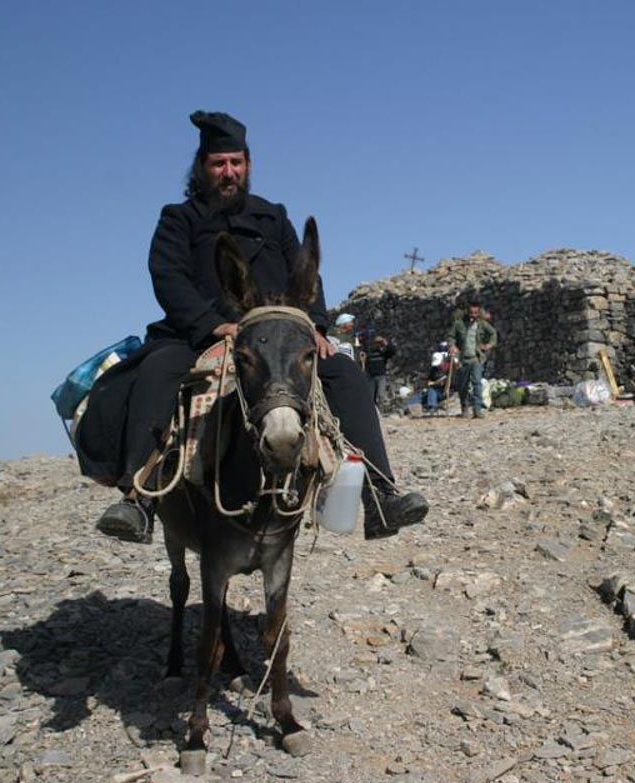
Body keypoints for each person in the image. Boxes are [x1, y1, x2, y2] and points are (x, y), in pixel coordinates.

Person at [76, 110, 428, 543]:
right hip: (198, 331)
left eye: (236, 163)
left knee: (347, 375)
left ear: (248, 164)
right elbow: (167, 275)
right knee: (157, 372)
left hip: (278, 332)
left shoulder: (273, 216)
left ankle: (379, 496)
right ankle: (139, 498)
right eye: (219, 164)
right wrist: (211, 324)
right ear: (202, 168)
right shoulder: (178, 218)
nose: (229, 172)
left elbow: (306, 275)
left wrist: (315, 324)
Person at [447, 301, 497, 419]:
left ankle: (477, 409)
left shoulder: (482, 324)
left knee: (477, 383)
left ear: (478, 313)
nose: (472, 315)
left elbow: (493, 333)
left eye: (475, 313)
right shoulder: (459, 324)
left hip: (476, 358)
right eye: (471, 313)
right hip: (462, 359)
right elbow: (451, 336)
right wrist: (452, 346)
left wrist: (488, 345)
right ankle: (464, 408)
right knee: (463, 385)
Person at [363, 334, 397, 407]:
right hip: (371, 377)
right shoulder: (370, 353)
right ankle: (373, 411)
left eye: (379, 343)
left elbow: (393, 351)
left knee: (381, 395)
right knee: (371, 396)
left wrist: (385, 342)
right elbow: (364, 361)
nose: (377, 345)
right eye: (376, 343)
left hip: (381, 376)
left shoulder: (383, 353)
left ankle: (380, 410)